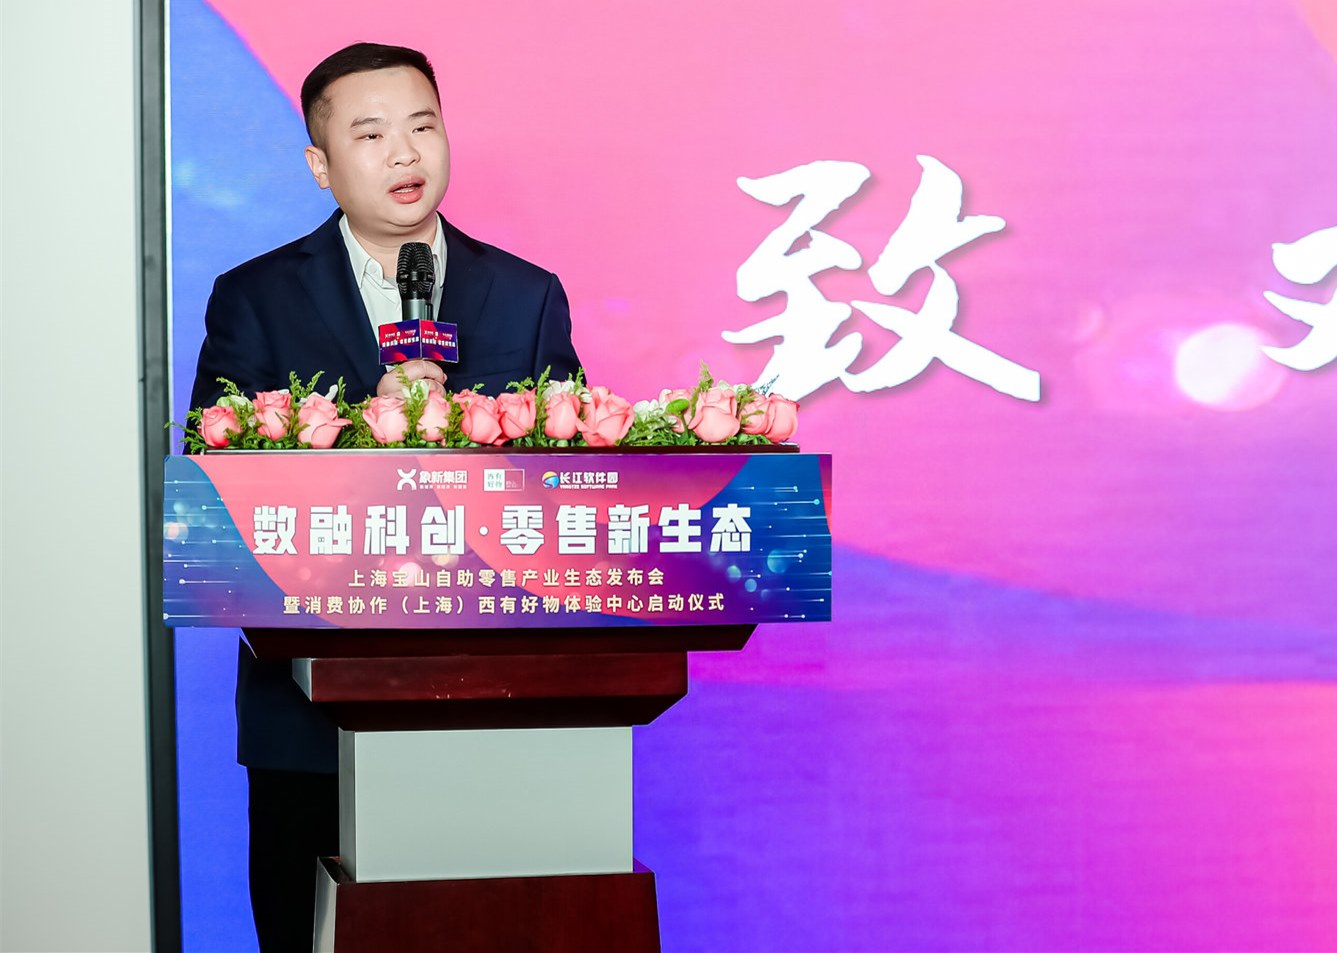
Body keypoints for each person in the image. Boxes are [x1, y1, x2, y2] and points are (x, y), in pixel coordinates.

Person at [189, 42, 581, 951]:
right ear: (320, 165)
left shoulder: (524, 295)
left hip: (497, 705)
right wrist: (373, 427)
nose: (405, 153)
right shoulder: (255, 298)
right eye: (370, 135)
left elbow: (570, 494)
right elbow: (216, 497)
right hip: (309, 719)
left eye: (422, 127)